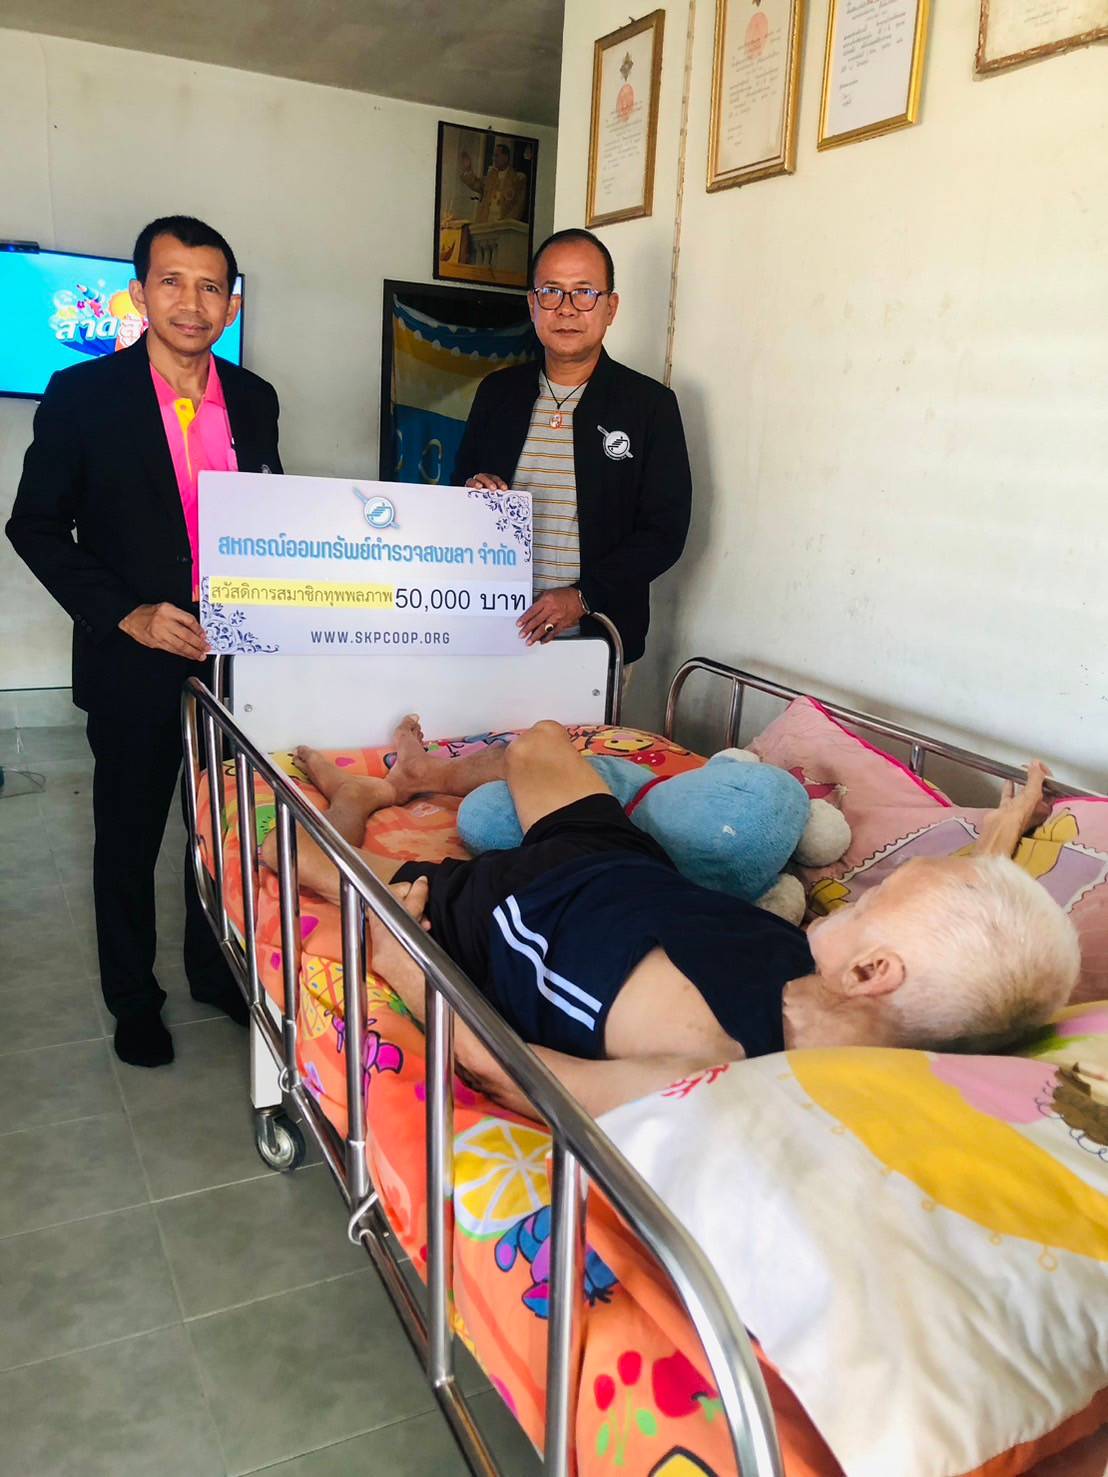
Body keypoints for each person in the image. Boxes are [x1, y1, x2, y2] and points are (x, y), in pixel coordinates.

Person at [266, 726, 1080, 1119]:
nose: (858, 897)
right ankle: (422, 774)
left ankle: (362, 796)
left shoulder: (718, 1067)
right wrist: (1000, 838)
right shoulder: (860, 985)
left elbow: (513, 1073)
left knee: (285, 853)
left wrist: (400, 959)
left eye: (868, 905)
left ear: (871, 972)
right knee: (539, 744)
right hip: (622, 861)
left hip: (502, 908)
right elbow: (959, 942)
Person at [6, 215, 282, 1069]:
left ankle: (214, 969)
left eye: (211, 287)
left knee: (222, 829)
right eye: (172, 282)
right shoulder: (84, 395)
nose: (192, 303)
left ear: (231, 305)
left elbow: (272, 515)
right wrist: (127, 612)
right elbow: (34, 525)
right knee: (128, 836)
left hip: (235, 659)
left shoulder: (256, 398)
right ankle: (132, 998)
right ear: (138, 294)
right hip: (133, 657)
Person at [454, 229, 692, 665]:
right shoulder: (498, 393)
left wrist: (584, 597)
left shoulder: (648, 406)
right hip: (493, 633)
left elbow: (665, 532)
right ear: (532, 305)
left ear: (610, 307)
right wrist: (473, 490)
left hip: (598, 639)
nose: (566, 308)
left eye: (584, 292)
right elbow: (456, 490)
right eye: (551, 292)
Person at [458, 141, 528, 224]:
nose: (493, 158)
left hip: (503, 225)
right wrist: (468, 169)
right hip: (485, 222)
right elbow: (476, 184)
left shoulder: (517, 179)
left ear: (505, 157)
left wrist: (507, 224)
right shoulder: (490, 176)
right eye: (493, 156)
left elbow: (518, 207)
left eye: (496, 156)